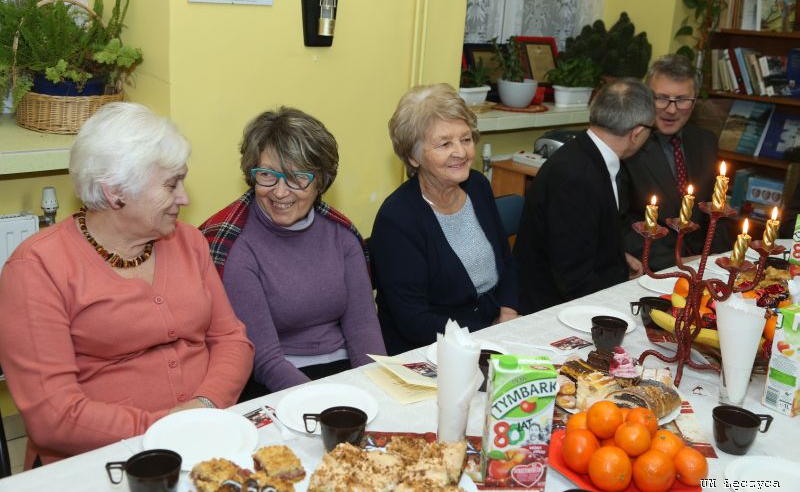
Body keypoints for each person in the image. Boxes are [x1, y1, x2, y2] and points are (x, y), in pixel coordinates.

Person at [0, 103, 254, 468]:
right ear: (115, 192)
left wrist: (206, 405)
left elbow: (231, 339)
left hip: (206, 436)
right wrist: (168, 429)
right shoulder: (37, 267)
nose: (184, 198)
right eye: (171, 184)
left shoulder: (188, 242)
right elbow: (53, 416)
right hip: (100, 460)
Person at [200, 107, 385, 399]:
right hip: (275, 381)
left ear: (320, 181)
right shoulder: (236, 245)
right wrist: (323, 403)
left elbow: (363, 329)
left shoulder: (341, 234)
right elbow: (265, 359)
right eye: (267, 175)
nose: (280, 192)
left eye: (297, 178)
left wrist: (376, 389)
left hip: (347, 370)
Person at [370, 83, 519, 355]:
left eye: (466, 139)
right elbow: (413, 320)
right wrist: (487, 333)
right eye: (445, 144)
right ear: (413, 156)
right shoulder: (397, 219)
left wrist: (508, 311)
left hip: (495, 329)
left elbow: (506, 262)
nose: (461, 152)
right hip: (430, 349)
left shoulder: (477, 186)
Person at [514, 79, 655, 313]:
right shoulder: (576, 177)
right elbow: (573, 276)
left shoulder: (589, 153)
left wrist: (617, 257)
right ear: (637, 133)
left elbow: (583, 238)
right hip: (552, 308)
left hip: (582, 288)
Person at [623, 54, 731, 270]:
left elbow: (716, 212)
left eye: (682, 100)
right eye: (661, 98)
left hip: (706, 265)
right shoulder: (628, 145)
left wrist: (716, 259)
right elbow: (621, 224)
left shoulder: (706, 141)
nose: (671, 110)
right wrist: (675, 263)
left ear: (695, 101)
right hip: (652, 266)